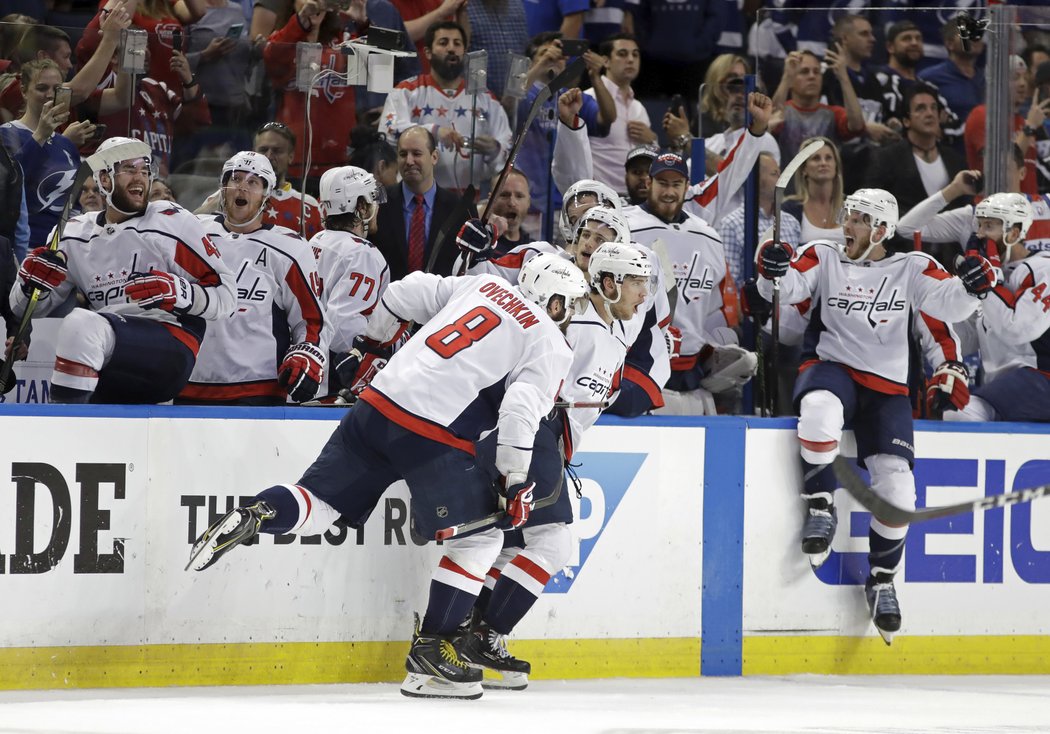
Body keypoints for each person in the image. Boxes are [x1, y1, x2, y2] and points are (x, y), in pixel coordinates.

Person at [186, 252, 587, 702]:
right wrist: (515, 479)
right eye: (570, 306)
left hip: (377, 402)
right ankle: (432, 653)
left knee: (317, 504)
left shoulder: (479, 286)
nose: (569, 317)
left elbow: (401, 292)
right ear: (555, 303)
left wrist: (372, 348)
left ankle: (259, 512)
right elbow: (519, 410)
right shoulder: (552, 342)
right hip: (434, 430)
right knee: (481, 539)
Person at [755, 188, 983, 644]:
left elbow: (949, 304)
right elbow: (786, 286)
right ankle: (820, 505)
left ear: (881, 229)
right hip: (831, 368)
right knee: (819, 411)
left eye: (858, 220)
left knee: (899, 488)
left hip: (887, 391)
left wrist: (975, 286)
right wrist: (771, 267)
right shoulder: (824, 255)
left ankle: (881, 580)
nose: (847, 226)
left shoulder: (911, 267)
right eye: (847, 217)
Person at [463, 241, 652, 689]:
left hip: (545, 441)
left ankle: (464, 636)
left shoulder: (616, 332)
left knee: (510, 546)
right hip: (529, 432)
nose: (644, 294)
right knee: (554, 543)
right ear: (608, 283)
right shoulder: (571, 321)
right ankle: (485, 635)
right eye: (637, 282)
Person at [8, 137, 236, 404]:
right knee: (104, 427)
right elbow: (25, 310)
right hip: (112, 351)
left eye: (145, 170)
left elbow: (228, 297)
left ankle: (65, 430)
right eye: (129, 169)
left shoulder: (171, 222)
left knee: (82, 325)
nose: (140, 178)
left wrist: (180, 292)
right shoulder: (73, 233)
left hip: (172, 341)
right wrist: (28, 284)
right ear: (104, 178)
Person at [179, 151, 324, 405]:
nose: (242, 187)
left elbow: (310, 319)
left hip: (259, 388)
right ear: (223, 188)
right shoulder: (194, 235)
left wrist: (307, 352)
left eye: (253, 182)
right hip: (190, 382)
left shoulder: (289, 248)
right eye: (235, 179)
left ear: (266, 195)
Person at [625, 151, 754, 415]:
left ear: (687, 187)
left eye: (676, 184)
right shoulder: (625, 227)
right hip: (639, 367)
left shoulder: (708, 236)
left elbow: (717, 309)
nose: (669, 192)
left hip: (691, 376)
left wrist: (714, 351)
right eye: (662, 183)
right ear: (649, 183)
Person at [942, 194, 1050, 423]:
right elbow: (970, 338)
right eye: (979, 225)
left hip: (1040, 379)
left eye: (989, 226)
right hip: (1009, 386)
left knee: (961, 414)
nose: (979, 234)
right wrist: (932, 320)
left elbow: (1017, 329)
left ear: (1013, 232)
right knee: (956, 410)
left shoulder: (1043, 268)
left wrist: (988, 285)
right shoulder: (990, 274)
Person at [379, 21, 512, 192]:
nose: (451, 48)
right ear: (427, 52)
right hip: (417, 197)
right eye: (443, 42)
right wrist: (432, 132)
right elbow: (388, 131)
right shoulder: (406, 91)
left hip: (467, 202)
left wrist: (494, 150)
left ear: (464, 52)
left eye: (457, 43)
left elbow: (507, 147)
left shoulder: (485, 98)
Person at [0, 60, 95, 260]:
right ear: (24, 92)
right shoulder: (8, 134)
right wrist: (40, 136)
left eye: (57, 89)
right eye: (42, 88)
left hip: (66, 250)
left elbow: (74, 202)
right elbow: (9, 186)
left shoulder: (66, 144)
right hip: (27, 249)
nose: (50, 95)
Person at [312, 165, 391, 399]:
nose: (376, 208)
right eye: (371, 201)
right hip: (333, 382)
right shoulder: (363, 253)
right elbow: (341, 327)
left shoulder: (317, 239)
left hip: (306, 369)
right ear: (360, 206)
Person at [263, 0, 356, 184]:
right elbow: (271, 58)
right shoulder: (283, 37)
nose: (313, 3)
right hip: (293, 156)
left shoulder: (343, 38)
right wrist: (302, 22)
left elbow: (375, 57)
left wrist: (363, 22)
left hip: (337, 156)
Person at [370, 125, 470, 279]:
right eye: (403, 154)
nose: (409, 161)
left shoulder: (459, 209)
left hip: (442, 300)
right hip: (388, 298)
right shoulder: (377, 201)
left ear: (434, 157)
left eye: (416, 153)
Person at [196, 121, 323, 239]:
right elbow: (192, 227)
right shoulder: (229, 195)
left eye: (277, 151)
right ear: (253, 152)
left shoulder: (309, 205)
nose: (269, 156)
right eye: (263, 150)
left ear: (290, 156)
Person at [865, 83, 969, 219]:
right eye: (921, 108)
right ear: (906, 121)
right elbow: (871, 206)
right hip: (903, 237)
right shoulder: (886, 159)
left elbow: (965, 207)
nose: (930, 113)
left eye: (933, 108)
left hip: (948, 238)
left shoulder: (956, 161)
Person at [585, 32, 656, 195]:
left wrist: (652, 139)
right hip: (600, 199)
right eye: (622, 54)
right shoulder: (589, 99)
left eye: (635, 55)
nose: (631, 59)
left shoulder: (639, 108)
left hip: (635, 199)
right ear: (605, 61)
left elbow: (649, 159)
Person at [770, 49, 866, 167]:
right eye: (804, 72)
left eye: (817, 72)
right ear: (791, 80)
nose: (812, 76)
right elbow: (769, 121)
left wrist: (843, 77)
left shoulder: (832, 114)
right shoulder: (784, 112)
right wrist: (786, 77)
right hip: (787, 184)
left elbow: (857, 125)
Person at [719, 151, 801, 284]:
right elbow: (730, 282)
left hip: (787, 301)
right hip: (750, 302)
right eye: (774, 174)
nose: (782, 178)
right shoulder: (732, 224)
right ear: (755, 179)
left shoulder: (792, 223)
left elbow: (797, 275)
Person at [781, 136, 846, 246]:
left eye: (828, 158)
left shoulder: (852, 207)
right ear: (804, 169)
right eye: (816, 158)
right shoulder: (790, 210)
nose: (823, 163)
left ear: (836, 166)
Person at [486, 167, 533, 252]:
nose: (512, 203)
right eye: (504, 195)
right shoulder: (479, 249)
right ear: (490, 200)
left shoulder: (535, 251)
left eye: (519, 196)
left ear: (528, 202)